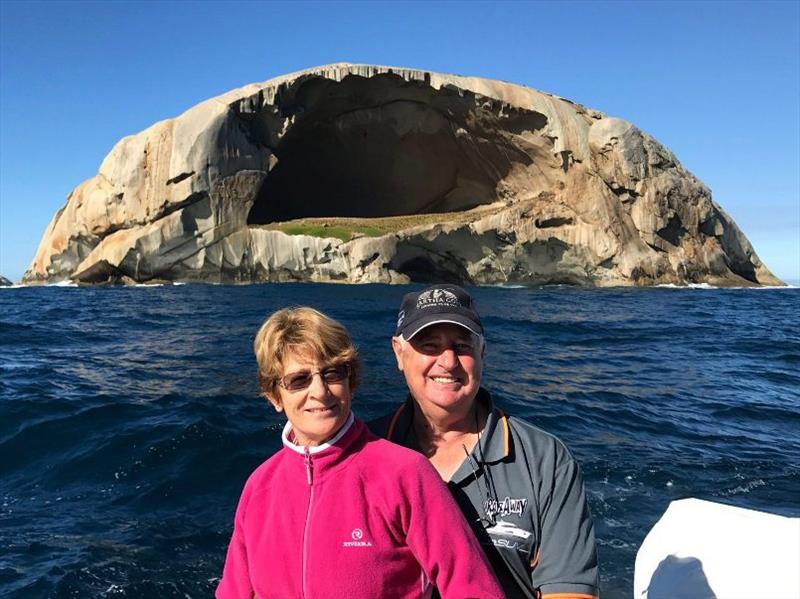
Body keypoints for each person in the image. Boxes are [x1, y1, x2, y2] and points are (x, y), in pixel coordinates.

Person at [216, 306, 503, 599]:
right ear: (275, 396)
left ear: (350, 383)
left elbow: (473, 588)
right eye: (299, 380)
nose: (320, 391)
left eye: (332, 374)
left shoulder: (405, 473)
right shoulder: (259, 487)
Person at [370, 285, 600, 599]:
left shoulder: (545, 460)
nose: (448, 361)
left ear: (482, 353)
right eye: (430, 345)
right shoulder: (365, 451)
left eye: (462, 345)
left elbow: (570, 590)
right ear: (399, 352)